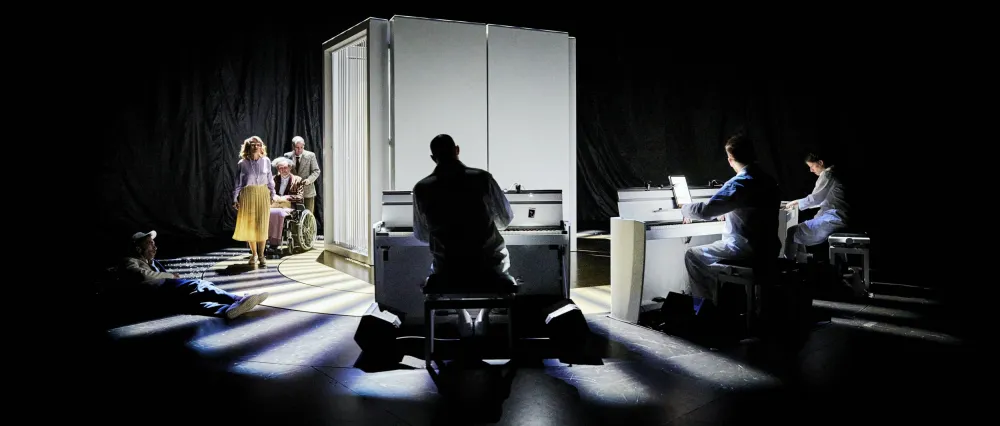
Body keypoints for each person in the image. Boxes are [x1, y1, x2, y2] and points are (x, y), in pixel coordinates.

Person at [412, 134, 515, 335]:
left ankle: (463, 316)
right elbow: (504, 220)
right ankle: (484, 314)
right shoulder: (483, 178)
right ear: (457, 150)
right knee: (498, 264)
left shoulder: (421, 188)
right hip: (489, 268)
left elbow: (422, 235)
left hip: (448, 270)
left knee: (440, 267)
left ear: (433, 158)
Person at [680, 134, 781, 307]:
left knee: (693, 256)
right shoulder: (768, 180)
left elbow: (705, 212)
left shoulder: (739, 182)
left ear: (730, 159)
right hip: (769, 248)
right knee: (710, 255)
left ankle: (705, 310)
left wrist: (684, 208)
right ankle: (726, 299)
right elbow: (752, 208)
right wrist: (729, 211)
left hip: (746, 249)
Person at [120, 230, 270, 320]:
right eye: (149, 243)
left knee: (193, 303)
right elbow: (142, 276)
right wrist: (170, 276)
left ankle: (226, 310)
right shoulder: (129, 261)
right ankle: (237, 299)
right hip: (157, 293)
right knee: (199, 285)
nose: (154, 246)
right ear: (139, 249)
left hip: (163, 294)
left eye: (154, 243)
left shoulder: (153, 262)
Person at [783, 152, 851, 262]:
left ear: (820, 162)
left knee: (791, 232)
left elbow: (816, 198)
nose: (811, 170)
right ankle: (800, 265)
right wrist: (799, 203)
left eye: (811, 166)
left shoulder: (828, 174)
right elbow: (821, 199)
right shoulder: (834, 174)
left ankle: (787, 266)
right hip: (836, 217)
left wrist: (796, 203)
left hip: (833, 219)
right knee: (796, 233)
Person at [233, 135, 276, 267]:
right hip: (248, 194)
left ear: (261, 146)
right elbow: (238, 183)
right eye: (253, 144)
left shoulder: (266, 161)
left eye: (258, 144)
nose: (256, 146)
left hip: (262, 193)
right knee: (250, 225)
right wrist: (235, 198)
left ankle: (262, 255)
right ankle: (254, 254)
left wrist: (273, 194)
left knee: (262, 225)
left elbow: (269, 180)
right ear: (248, 146)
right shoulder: (242, 163)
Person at [283, 136, 321, 214]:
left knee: (308, 216)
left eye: (301, 147)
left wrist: (309, 180)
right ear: (293, 146)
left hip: (307, 191)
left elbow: (316, 171)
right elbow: (285, 171)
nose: (299, 149)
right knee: (294, 215)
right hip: (293, 192)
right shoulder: (287, 156)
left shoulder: (311, 156)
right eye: (297, 147)